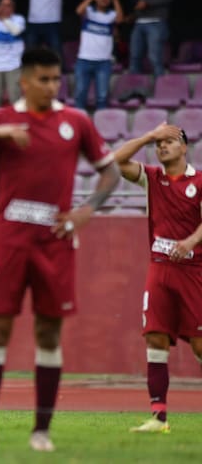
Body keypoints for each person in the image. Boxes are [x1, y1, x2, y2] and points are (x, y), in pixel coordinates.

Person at [0, 47, 120, 452]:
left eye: (57, 79)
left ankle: (42, 431)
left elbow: (109, 171)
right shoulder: (3, 119)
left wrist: (87, 209)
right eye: (44, 79)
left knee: (49, 331)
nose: (52, 86)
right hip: (9, 239)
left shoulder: (76, 121)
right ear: (24, 81)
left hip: (55, 241)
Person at [112, 123, 202, 433]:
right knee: (155, 338)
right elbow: (116, 161)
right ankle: (158, 418)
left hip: (195, 272)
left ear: (184, 147)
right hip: (160, 270)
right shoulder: (152, 178)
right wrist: (148, 136)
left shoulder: (199, 182)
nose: (162, 147)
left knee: (200, 346)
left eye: (168, 142)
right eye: (159, 143)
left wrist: (190, 242)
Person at [74, 0, 124, 110]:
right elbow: (79, 10)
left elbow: (120, 19)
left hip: (103, 62)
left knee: (102, 96)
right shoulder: (89, 12)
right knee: (80, 94)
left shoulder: (111, 14)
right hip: (84, 60)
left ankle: (101, 125)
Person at [128, 0, 173, 77]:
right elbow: (143, 2)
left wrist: (147, 3)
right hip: (140, 22)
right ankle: (135, 87)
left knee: (154, 56)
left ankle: (162, 88)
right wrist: (134, 15)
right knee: (134, 56)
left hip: (155, 22)